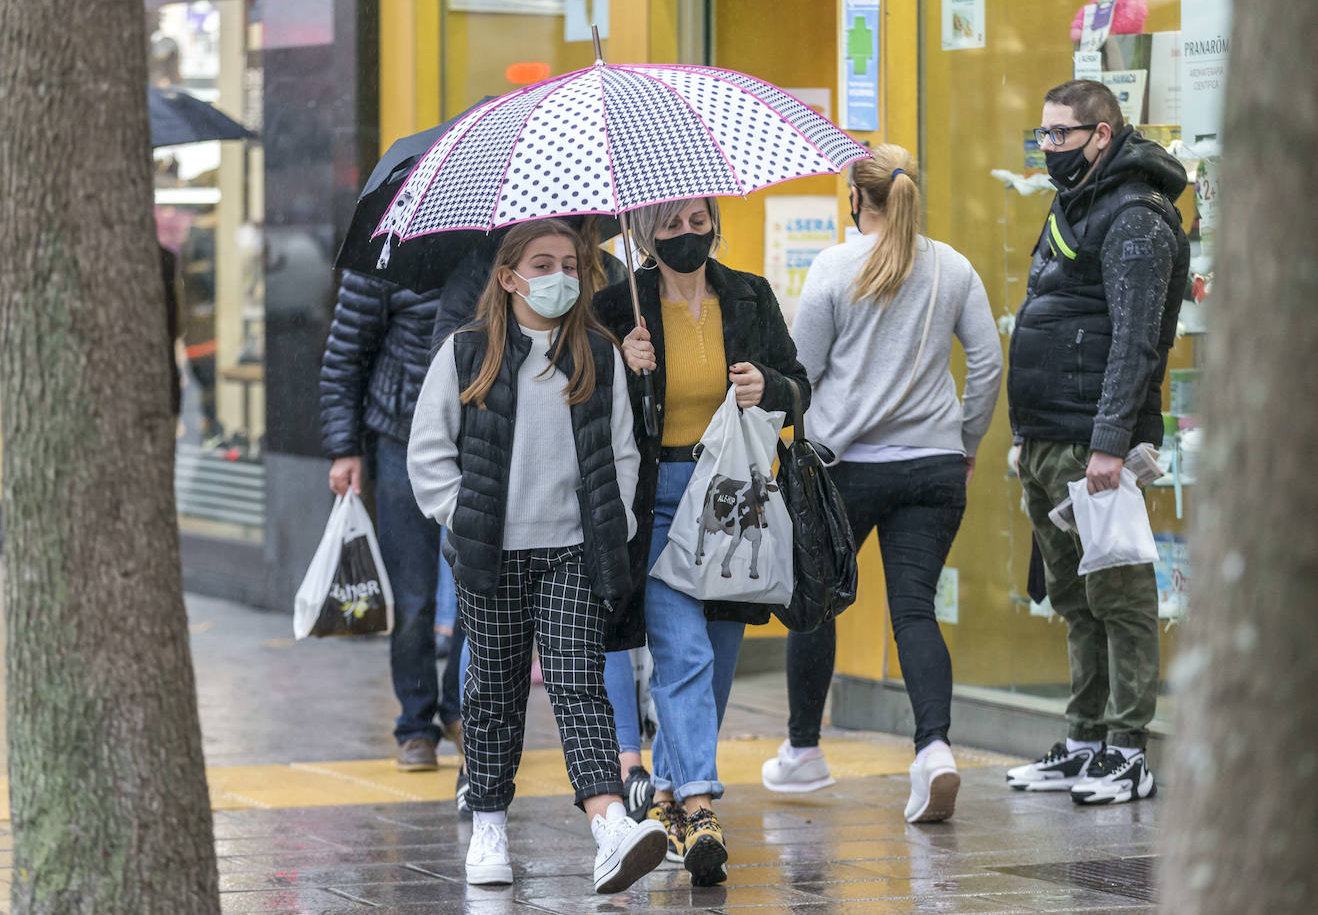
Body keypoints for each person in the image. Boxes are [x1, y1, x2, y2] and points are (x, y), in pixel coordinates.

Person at [407, 219, 667, 893]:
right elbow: (428, 455)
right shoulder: (468, 355)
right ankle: (489, 826)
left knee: (580, 685)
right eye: (543, 264)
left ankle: (609, 824)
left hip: (574, 554)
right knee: (492, 693)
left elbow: (622, 453)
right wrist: (463, 517)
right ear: (508, 276)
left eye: (572, 266)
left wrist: (609, 524)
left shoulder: (597, 354)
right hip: (491, 554)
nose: (560, 278)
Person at [773, 145, 1004, 823]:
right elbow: (988, 364)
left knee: (814, 603)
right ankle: (933, 750)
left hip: (845, 469)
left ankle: (804, 753)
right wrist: (964, 443)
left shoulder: (833, 268)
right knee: (914, 612)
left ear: (855, 199)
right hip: (933, 466)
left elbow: (800, 372)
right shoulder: (953, 266)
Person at [594, 197, 810, 886]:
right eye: (670, 223)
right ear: (641, 232)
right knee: (681, 654)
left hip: (730, 499)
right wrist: (620, 365)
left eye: (698, 220)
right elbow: (578, 403)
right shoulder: (613, 309)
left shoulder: (750, 295)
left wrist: (767, 385)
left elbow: (799, 388)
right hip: (653, 504)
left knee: (714, 664)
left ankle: (661, 795)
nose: (688, 233)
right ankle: (700, 807)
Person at [1004, 80, 1188, 805]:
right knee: (1075, 599)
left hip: (1094, 444)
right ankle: (1084, 740)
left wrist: (1110, 443)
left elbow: (1137, 343)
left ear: (1102, 136)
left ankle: (1128, 750)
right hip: (1049, 438)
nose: (1047, 148)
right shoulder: (1072, 203)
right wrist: (1026, 436)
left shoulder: (1137, 217)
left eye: (1060, 136)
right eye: (1042, 135)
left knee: (1120, 598)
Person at [319, 269, 464, 772]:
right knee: (414, 595)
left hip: (481, 430)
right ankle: (416, 724)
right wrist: (344, 448)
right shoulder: (387, 249)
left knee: (485, 587)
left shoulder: (501, 240)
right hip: (401, 436)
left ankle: (464, 709)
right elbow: (345, 354)